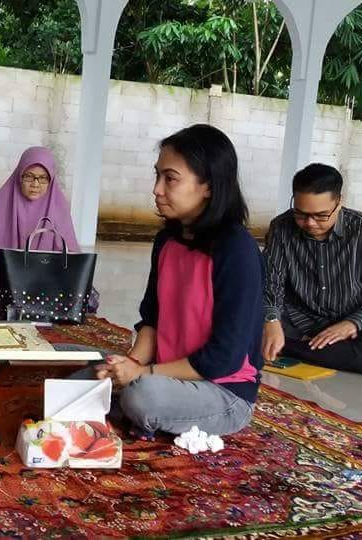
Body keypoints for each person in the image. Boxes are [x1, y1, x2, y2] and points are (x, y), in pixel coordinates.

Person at [75, 124, 263, 438]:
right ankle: (119, 402)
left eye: (170, 179)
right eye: (157, 176)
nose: (157, 189)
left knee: (142, 397)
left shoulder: (236, 249)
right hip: (162, 374)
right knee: (81, 368)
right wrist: (129, 364)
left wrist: (141, 374)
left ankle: (127, 409)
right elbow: (152, 319)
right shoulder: (167, 240)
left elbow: (223, 358)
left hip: (221, 390)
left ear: (209, 186)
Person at [261, 163, 362, 375]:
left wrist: (352, 323)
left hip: (349, 329)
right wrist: (271, 319)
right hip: (296, 320)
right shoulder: (281, 228)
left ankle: (285, 346)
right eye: (301, 214)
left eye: (321, 215)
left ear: (338, 203)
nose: (310, 223)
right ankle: (289, 343)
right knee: (242, 319)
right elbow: (270, 284)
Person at [0, 146, 99, 316]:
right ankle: (33, 308)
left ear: (51, 180)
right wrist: (10, 272)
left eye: (42, 178)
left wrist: (46, 272)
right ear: (19, 175)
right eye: (29, 176)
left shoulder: (58, 207)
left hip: (47, 282)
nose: (35, 184)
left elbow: (70, 254)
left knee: (89, 293)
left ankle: (20, 308)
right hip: (6, 281)